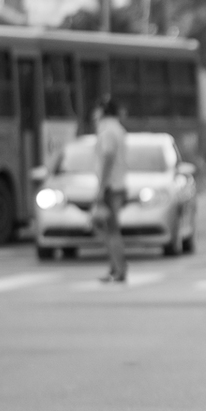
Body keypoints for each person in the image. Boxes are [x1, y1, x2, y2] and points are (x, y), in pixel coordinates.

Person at [93, 97, 128, 285]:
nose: (94, 115)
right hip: (117, 185)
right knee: (109, 228)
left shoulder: (107, 130)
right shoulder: (118, 129)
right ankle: (116, 268)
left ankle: (119, 269)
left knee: (110, 230)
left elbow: (107, 157)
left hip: (109, 187)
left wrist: (100, 188)